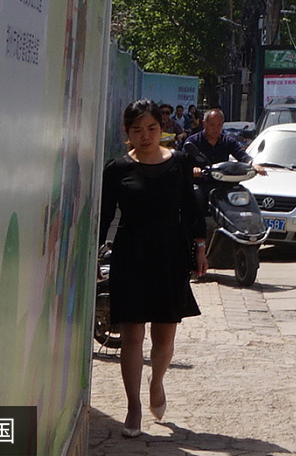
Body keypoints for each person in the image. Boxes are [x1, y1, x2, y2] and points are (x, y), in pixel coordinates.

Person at [100, 99, 207, 437]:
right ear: (126, 133)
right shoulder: (116, 169)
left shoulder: (178, 163)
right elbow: (103, 218)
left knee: (164, 337)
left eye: (151, 128)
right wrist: (93, 255)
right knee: (132, 335)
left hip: (169, 256)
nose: (145, 136)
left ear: (162, 129)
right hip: (131, 256)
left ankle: (156, 383)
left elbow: (192, 211)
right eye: (137, 130)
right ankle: (133, 407)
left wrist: (200, 247)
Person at [177, 109, 254, 179]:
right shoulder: (193, 141)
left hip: (223, 184)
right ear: (204, 124)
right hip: (200, 184)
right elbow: (183, 164)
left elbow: (242, 155)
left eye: (219, 125)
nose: (216, 129)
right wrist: (193, 169)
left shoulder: (228, 141)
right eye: (212, 125)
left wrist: (252, 164)